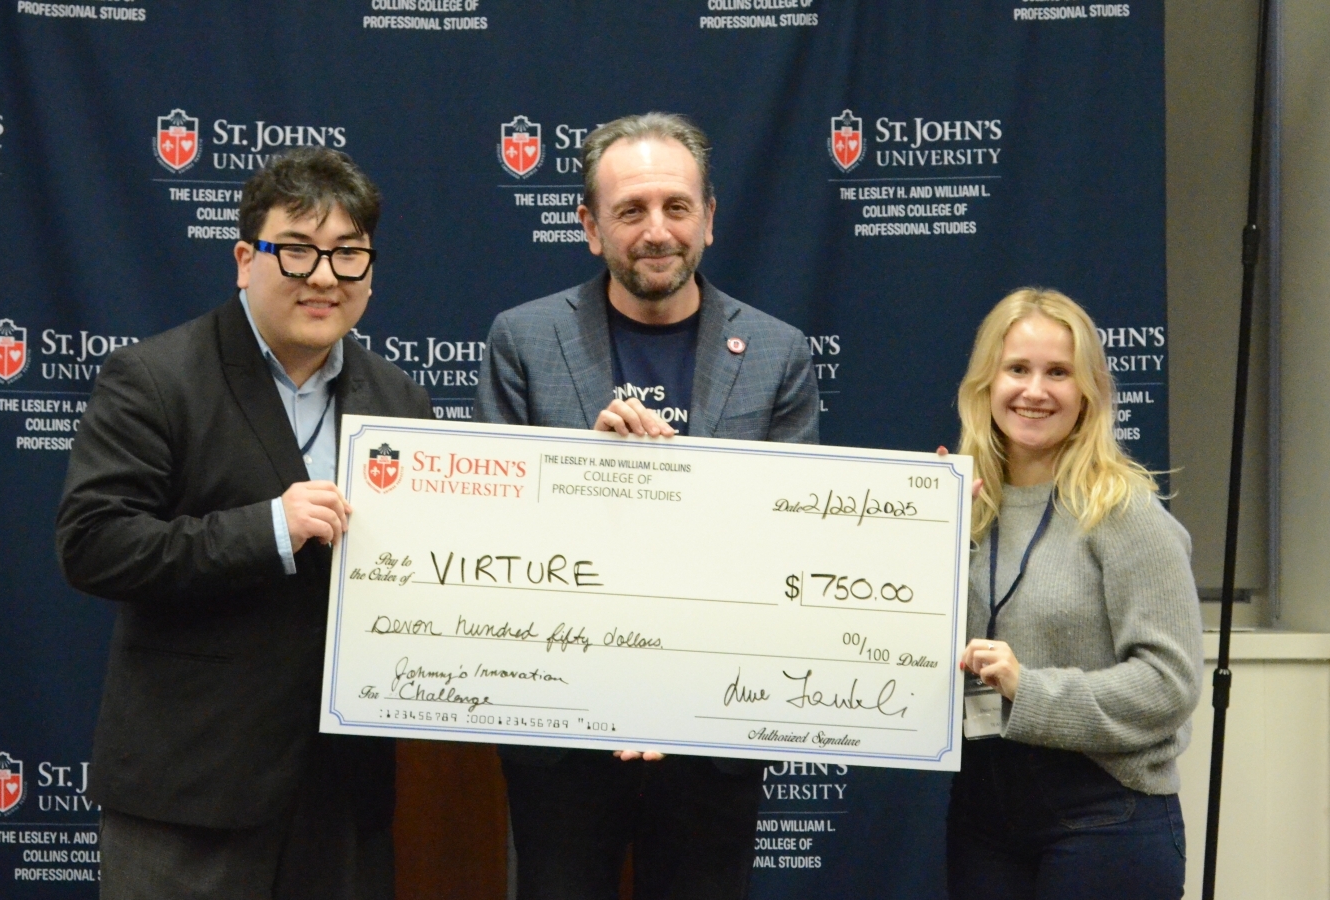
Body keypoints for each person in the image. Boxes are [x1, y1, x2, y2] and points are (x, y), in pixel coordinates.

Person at [56, 147, 432, 900]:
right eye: (295, 250)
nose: (323, 277)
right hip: (192, 791)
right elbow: (94, 543)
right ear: (243, 260)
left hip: (343, 799)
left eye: (348, 254)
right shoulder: (156, 378)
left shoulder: (399, 401)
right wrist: (267, 529)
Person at [474, 112, 820, 900]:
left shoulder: (778, 352)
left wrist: (675, 695)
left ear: (709, 219)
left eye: (676, 207)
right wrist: (588, 474)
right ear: (590, 227)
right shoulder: (523, 340)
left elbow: (789, 547)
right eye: (630, 210)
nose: (656, 231)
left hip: (714, 726)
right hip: (562, 727)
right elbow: (497, 535)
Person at [947, 288, 1201, 899]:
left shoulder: (1125, 513)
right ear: (986, 383)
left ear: (1088, 392)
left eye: (1058, 372)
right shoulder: (962, 507)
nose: (1034, 391)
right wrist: (923, 537)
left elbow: (1170, 684)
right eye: (1017, 369)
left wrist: (1029, 688)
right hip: (982, 811)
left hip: (1105, 813)